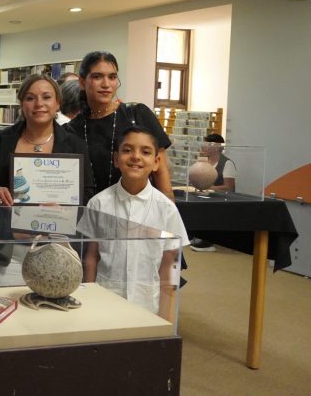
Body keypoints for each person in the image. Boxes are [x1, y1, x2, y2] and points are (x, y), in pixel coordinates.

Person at [0, 74, 95, 285]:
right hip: (8, 250)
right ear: (21, 103)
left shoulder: (75, 144)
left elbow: (87, 193)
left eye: (46, 97)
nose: (39, 104)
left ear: (57, 103)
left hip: (56, 252)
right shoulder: (4, 139)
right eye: (30, 98)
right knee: (2, 304)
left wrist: (65, 208)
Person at [82, 126, 189, 320]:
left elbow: (169, 266)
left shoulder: (166, 208)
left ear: (156, 162)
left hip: (147, 303)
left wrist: (167, 317)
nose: (136, 157)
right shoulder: (98, 203)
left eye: (145, 152)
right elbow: (91, 258)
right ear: (116, 159)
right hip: (105, 298)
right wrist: (88, 300)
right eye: (127, 150)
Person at [66, 51, 174, 198]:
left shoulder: (137, 115)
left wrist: (168, 208)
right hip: (89, 208)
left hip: (136, 206)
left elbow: (161, 175)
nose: (106, 84)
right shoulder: (72, 129)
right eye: (97, 77)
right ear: (82, 82)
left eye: (112, 77)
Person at [190, 133, 237, 252]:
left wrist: (210, 187)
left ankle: (207, 241)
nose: (203, 146)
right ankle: (195, 234)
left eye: (207, 144)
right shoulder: (205, 162)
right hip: (207, 196)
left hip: (222, 199)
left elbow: (229, 187)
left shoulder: (227, 163)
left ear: (216, 147)